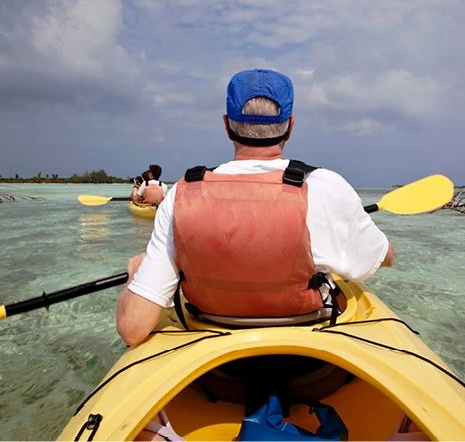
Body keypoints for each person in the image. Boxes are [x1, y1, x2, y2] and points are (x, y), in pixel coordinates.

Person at [117, 68, 394, 347]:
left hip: (214, 356)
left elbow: (132, 329)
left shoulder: (181, 193)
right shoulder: (326, 187)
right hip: (309, 352)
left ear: (226, 125)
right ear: (291, 126)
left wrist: (135, 273)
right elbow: (385, 257)